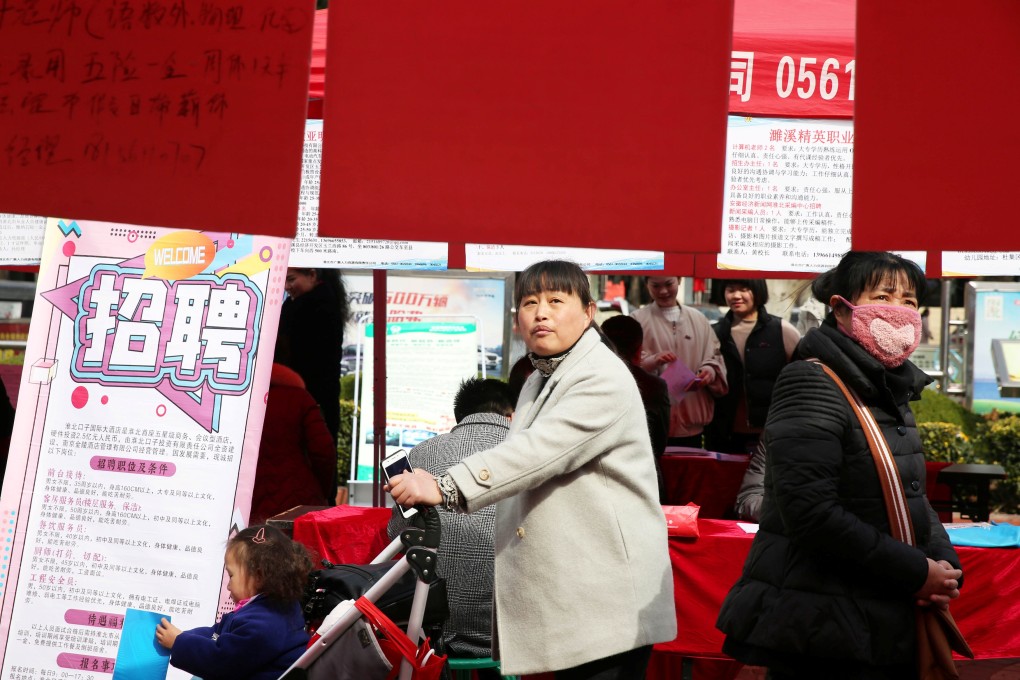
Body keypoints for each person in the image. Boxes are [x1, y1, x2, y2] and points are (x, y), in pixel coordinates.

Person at [387, 260, 676, 679]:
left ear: (589, 312)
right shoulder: (542, 378)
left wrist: (446, 485)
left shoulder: (600, 377)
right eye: (530, 302)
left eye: (556, 301)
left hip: (607, 602)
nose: (541, 312)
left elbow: (536, 453)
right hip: (577, 599)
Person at [716, 252, 963, 679]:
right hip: (823, 623)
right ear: (839, 308)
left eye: (908, 301)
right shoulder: (811, 380)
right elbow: (809, 511)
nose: (899, 311)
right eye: (883, 296)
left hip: (883, 610)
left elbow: (910, 495)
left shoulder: (890, 385)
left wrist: (943, 566)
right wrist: (916, 571)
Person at [387, 378, 513, 662]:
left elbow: (397, 534)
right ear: (512, 415)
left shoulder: (421, 453)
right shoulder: (525, 456)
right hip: (505, 634)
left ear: (462, 417)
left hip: (426, 627)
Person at [156, 524, 313, 680]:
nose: (228, 585)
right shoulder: (272, 606)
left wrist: (178, 642)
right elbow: (218, 633)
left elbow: (220, 661)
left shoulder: (263, 625)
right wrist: (183, 635)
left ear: (258, 577)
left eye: (231, 576)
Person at [631, 275, 728, 447]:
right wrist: (652, 361)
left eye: (669, 284)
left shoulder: (699, 319)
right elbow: (627, 363)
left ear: (679, 281)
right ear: (647, 285)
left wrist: (709, 372)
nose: (663, 291)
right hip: (651, 421)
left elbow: (714, 356)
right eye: (656, 285)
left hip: (693, 415)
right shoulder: (637, 320)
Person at [706, 279, 800, 454]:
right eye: (730, 289)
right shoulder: (714, 333)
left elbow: (799, 381)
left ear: (758, 291)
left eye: (744, 289)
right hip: (724, 433)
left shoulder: (781, 330)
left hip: (770, 432)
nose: (736, 296)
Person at [278, 267, 348, 501]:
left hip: (308, 399)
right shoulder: (326, 304)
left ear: (312, 274)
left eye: (291, 279)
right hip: (321, 400)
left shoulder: (306, 309)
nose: (287, 287)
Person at [250, 362, 337, 524]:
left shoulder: (238, 398)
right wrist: (323, 490)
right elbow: (324, 450)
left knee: (252, 546)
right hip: (297, 498)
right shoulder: (300, 398)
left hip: (250, 498)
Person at [600, 314, 670, 500]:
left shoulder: (591, 380)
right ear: (639, 350)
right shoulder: (654, 386)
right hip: (644, 474)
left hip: (600, 476)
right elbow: (660, 443)